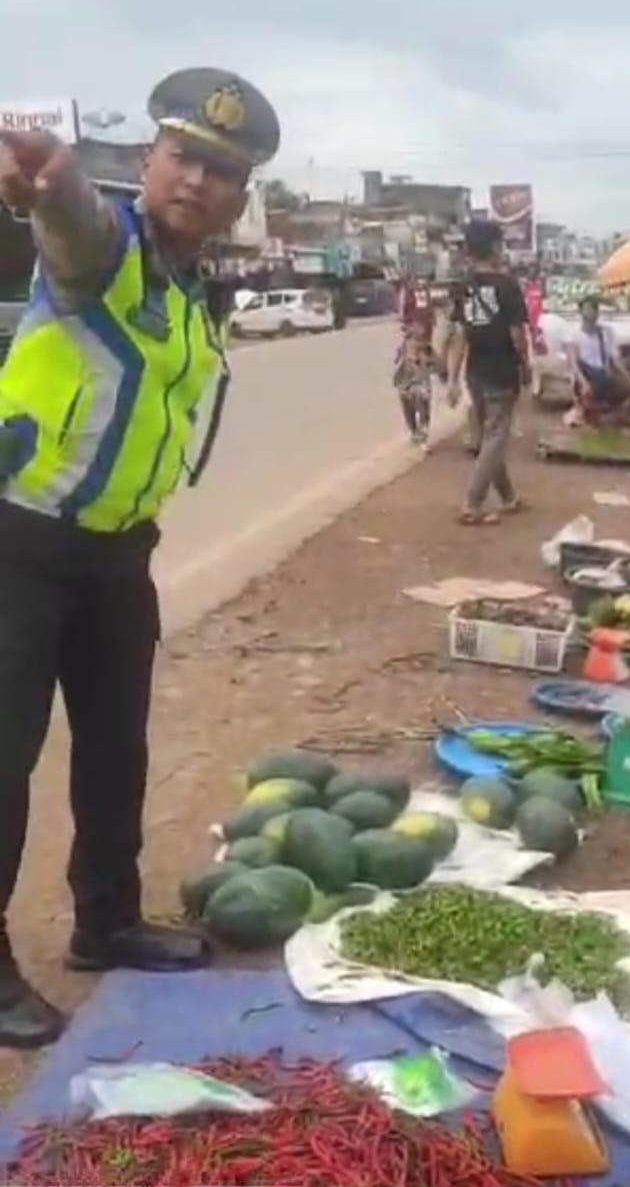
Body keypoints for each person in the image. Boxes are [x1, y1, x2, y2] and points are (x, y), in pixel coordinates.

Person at [0, 67, 280, 1049]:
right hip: (22, 541)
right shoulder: (107, 246)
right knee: (3, 754)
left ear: (241, 199)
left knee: (117, 748)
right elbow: (71, 228)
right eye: (182, 157)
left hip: (120, 555)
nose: (196, 180)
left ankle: (105, 920)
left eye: (220, 171)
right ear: (148, 161)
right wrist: (55, 182)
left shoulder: (197, 290)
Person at [447, 220, 530, 525]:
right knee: (496, 438)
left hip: (475, 372)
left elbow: (459, 335)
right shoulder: (507, 285)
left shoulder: (463, 285)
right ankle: (472, 502)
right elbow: (517, 335)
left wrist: (454, 380)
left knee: (489, 437)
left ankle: (508, 498)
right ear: (495, 247)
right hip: (501, 370)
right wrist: (526, 366)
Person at [564, 295, 630, 421]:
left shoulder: (606, 332)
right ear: (581, 312)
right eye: (587, 309)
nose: (591, 313)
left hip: (604, 375)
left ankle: (613, 413)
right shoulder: (573, 335)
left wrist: (628, 376)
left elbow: (616, 358)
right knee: (591, 395)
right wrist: (584, 383)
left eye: (594, 310)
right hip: (586, 377)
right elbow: (573, 364)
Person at [393, 320, 436, 449]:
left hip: (421, 385)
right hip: (405, 384)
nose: (418, 342)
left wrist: (426, 361)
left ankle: (423, 436)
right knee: (408, 410)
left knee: (423, 409)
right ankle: (414, 432)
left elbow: (438, 365)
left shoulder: (428, 351)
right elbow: (397, 363)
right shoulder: (404, 347)